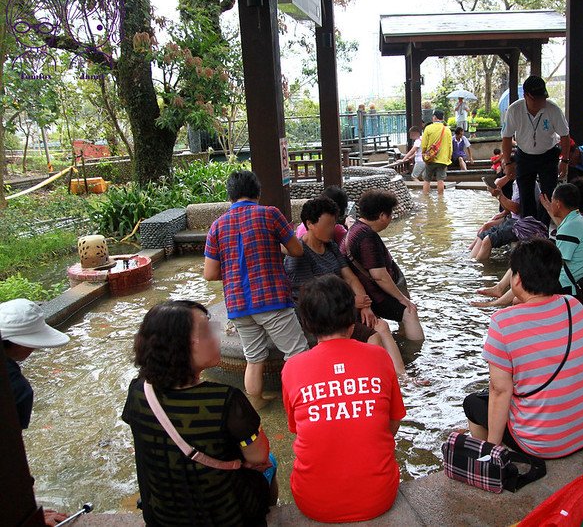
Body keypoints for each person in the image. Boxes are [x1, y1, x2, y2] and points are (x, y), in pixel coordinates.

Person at [123, 300, 278, 526]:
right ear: (180, 346)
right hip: (228, 516)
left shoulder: (138, 391)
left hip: (163, 517)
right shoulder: (225, 399)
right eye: (206, 332)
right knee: (271, 462)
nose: (216, 339)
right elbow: (259, 456)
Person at [463, 239, 583, 459]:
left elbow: (500, 391)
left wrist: (493, 447)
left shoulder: (502, 323)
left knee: (473, 403)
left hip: (541, 443)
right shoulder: (573, 306)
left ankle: (488, 455)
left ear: (517, 279)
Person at [282, 274, 406, 523]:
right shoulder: (379, 357)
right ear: (351, 316)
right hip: (379, 496)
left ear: (306, 323)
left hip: (312, 501)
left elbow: (300, 430)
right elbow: (392, 423)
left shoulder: (292, 368)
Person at [204, 170, 308, 407]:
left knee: (253, 358)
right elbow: (297, 250)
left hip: (238, 305)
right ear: (257, 193)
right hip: (271, 300)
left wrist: (236, 271)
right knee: (297, 354)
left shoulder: (217, 226)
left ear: (230, 196)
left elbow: (209, 273)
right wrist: (272, 251)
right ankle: (299, 403)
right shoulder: (270, 214)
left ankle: (258, 403)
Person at [285, 197, 406, 376]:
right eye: (327, 225)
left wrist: (364, 306)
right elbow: (312, 299)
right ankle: (377, 378)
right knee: (372, 335)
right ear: (309, 224)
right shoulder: (299, 255)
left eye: (333, 224)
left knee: (381, 326)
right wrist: (352, 303)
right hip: (323, 316)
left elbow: (350, 278)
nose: (331, 230)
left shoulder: (331, 246)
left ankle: (401, 377)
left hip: (343, 306)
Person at [0, 299, 70, 526]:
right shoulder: (15, 389)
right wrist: (26, 510)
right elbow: (9, 458)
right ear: (15, 342)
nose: (34, 348)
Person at [474, 184, 583, 306]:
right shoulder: (577, 220)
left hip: (573, 286)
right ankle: (499, 288)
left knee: (519, 298)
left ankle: (497, 302)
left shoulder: (570, 227)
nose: (550, 204)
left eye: (552, 201)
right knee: (526, 256)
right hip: (579, 277)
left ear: (558, 204)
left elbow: (556, 263)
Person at [344, 190, 425, 341]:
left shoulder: (355, 229)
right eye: (390, 214)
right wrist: (403, 299)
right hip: (375, 295)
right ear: (382, 215)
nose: (391, 218)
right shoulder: (367, 237)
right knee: (409, 312)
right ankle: (415, 350)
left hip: (363, 291)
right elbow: (379, 276)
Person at [501, 75, 570, 225]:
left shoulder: (553, 110)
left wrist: (564, 160)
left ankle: (544, 227)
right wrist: (507, 163)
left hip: (548, 156)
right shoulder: (514, 110)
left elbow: (565, 135)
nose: (541, 102)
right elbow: (506, 138)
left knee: (548, 193)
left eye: (543, 97)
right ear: (526, 95)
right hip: (524, 156)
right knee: (525, 193)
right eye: (536, 98)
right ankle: (529, 227)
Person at [468, 159, 548, 262]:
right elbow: (510, 209)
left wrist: (499, 195)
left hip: (522, 224)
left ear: (514, 166)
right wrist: (499, 197)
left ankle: (479, 268)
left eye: (505, 165)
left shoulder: (524, 182)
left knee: (487, 240)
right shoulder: (516, 182)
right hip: (513, 220)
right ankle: (470, 261)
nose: (502, 167)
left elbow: (516, 209)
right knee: (482, 235)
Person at [421, 110, 453, 195]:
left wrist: (424, 154)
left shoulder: (428, 128)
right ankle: (441, 199)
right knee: (440, 180)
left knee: (427, 179)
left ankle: (425, 198)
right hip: (443, 159)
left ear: (434, 117)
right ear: (442, 118)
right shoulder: (447, 130)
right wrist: (448, 157)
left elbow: (424, 144)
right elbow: (450, 146)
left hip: (431, 158)